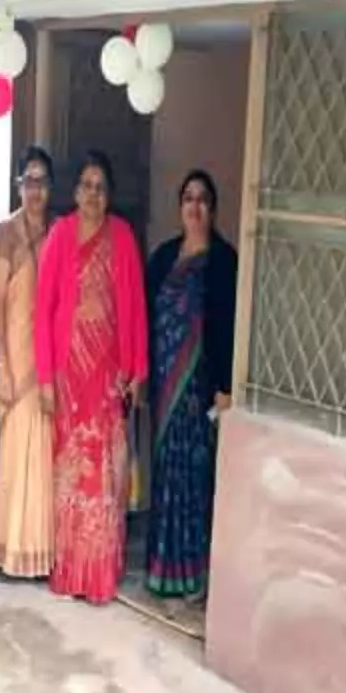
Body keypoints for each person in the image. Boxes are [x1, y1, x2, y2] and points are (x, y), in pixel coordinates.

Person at [34, 150, 149, 604]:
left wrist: (137, 369)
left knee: (104, 476)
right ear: (75, 191)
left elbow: (135, 307)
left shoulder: (122, 236)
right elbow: (43, 311)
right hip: (68, 375)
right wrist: (46, 379)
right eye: (86, 186)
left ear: (109, 194)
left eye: (101, 187)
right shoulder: (60, 235)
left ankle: (99, 571)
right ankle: (71, 568)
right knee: (71, 474)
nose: (93, 195)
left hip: (107, 375)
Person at [145, 170, 238, 602]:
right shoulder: (164, 258)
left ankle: (193, 574)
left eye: (202, 199)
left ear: (212, 208)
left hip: (199, 390)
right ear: (179, 207)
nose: (195, 206)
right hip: (165, 386)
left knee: (196, 478)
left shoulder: (224, 261)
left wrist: (224, 383)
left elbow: (229, 325)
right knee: (166, 473)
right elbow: (145, 316)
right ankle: (163, 568)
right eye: (188, 198)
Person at [0, 145, 55, 578]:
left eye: (42, 182)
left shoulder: (59, 234)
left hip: (48, 362)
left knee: (45, 456)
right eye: (28, 181)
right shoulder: (4, 233)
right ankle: (11, 550)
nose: (35, 190)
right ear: (18, 186)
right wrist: (2, 365)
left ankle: (42, 551)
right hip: (15, 355)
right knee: (16, 453)